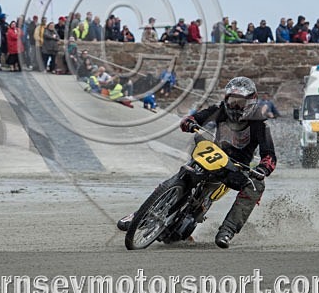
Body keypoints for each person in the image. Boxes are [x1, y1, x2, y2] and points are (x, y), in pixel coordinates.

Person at [118, 77, 276, 248]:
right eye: (232, 101)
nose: (235, 106)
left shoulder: (260, 124)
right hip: (212, 154)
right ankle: (140, 214)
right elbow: (197, 117)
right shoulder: (220, 110)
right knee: (184, 172)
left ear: (251, 101)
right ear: (226, 99)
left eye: (240, 102)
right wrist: (189, 122)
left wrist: (263, 168)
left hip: (235, 168)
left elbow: (270, 155)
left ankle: (227, 231)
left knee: (256, 185)